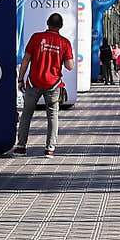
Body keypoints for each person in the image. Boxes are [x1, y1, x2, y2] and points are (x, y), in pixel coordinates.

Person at [15, 14, 75, 157]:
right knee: (53, 116)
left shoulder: (36, 37)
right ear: (61, 26)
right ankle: (50, 149)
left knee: (26, 114)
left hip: (33, 82)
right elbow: (70, 66)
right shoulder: (64, 42)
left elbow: (26, 60)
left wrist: (20, 79)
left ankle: (21, 147)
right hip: (53, 85)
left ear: (47, 23)